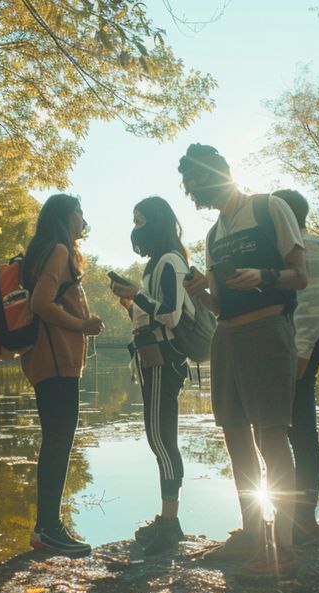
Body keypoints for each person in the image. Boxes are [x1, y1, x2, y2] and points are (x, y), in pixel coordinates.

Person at [179, 144, 308, 573]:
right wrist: (204, 295)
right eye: (196, 194)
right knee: (234, 434)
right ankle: (252, 533)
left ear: (223, 172)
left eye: (204, 186)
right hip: (227, 338)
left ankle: (283, 547)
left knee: (271, 435)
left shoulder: (269, 208)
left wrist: (265, 275)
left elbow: (300, 276)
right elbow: (221, 304)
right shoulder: (213, 235)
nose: (203, 199)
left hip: (269, 332)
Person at [21, 194, 104, 556]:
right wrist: (82, 326)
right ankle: (48, 529)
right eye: (79, 212)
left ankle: (48, 527)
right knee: (58, 440)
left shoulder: (44, 250)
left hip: (47, 360)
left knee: (56, 439)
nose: (83, 218)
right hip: (55, 360)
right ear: (66, 216)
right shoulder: (57, 250)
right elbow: (41, 304)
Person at [109, 196, 191, 556]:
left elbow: (170, 316)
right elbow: (149, 315)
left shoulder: (172, 262)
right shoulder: (155, 266)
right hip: (148, 357)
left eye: (140, 221)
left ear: (157, 222)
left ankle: (170, 523)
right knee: (157, 437)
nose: (135, 229)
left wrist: (137, 296)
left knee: (161, 438)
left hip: (163, 361)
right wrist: (131, 302)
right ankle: (167, 518)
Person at [271, 189, 319, 546]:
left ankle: (305, 520)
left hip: (298, 358)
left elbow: (313, 312)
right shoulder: (290, 253)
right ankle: (287, 515)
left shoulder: (310, 249)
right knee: (283, 433)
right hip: (284, 354)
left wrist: (300, 360)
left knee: (302, 434)